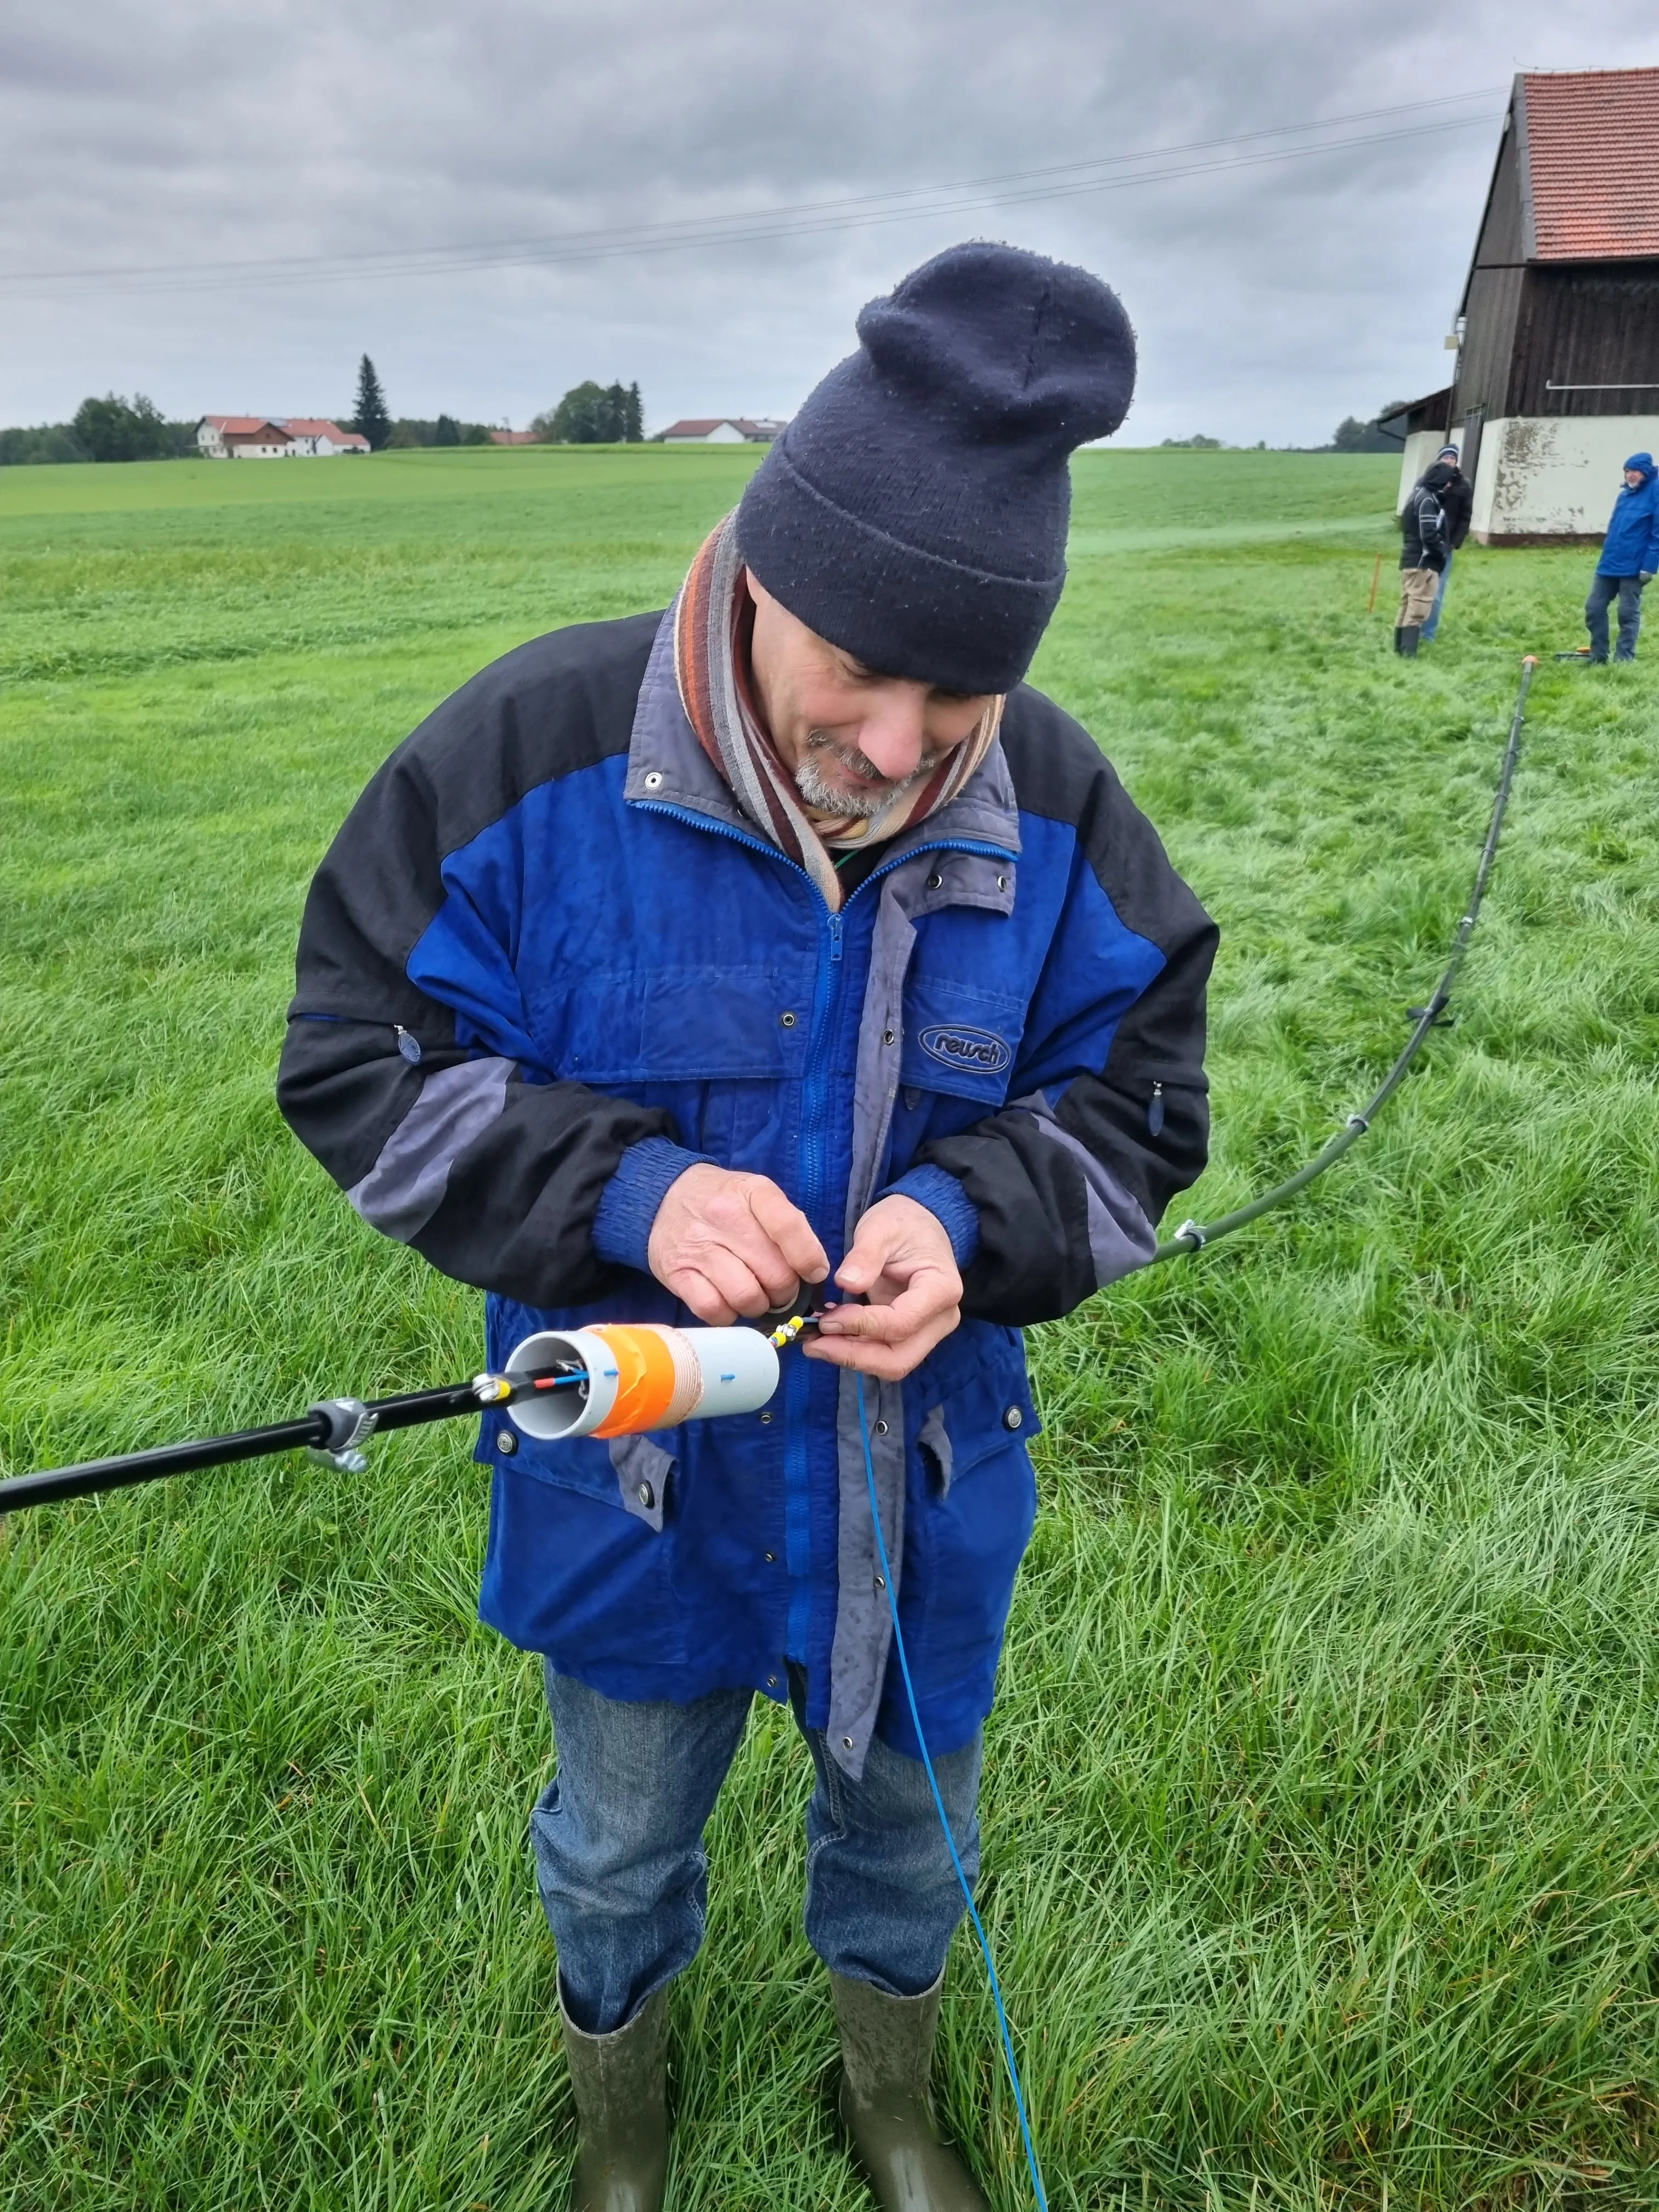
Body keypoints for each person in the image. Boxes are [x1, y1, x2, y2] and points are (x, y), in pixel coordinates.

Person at [277, 243, 1216, 2212]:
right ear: (760, 569)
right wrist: (623, 1188)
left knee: (903, 1827)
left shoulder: (1048, 803)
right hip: (634, 1494)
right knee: (614, 1843)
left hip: (921, 1485)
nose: (894, 745)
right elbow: (355, 1055)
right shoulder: (523, 754)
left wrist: (975, 1216)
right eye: (857, 669)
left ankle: (889, 2100)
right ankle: (623, 2123)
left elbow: (1141, 1100)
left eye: (955, 694)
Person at [1584, 453, 1658, 663]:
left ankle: (1624, 659)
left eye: (1633, 471)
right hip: (1609, 563)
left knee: (1627, 613)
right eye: (1626, 471)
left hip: (1635, 567)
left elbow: (1658, 533)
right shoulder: (1625, 495)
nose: (1629, 476)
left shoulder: (1656, 492)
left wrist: (1649, 566)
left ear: (1645, 471)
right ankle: (1598, 656)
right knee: (1594, 608)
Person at [1395, 460, 1451, 656]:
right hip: (1423, 564)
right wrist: (1441, 554)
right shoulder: (1428, 500)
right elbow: (1428, 535)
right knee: (1418, 608)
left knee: (1407, 605)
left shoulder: (1416, 495)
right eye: (1448, 481)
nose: (1449, 485)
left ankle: (1400, 650)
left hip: (1410, 560)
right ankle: (1408, 654)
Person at [1418, 443, 1472, 644]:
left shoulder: (1463, 485)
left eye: (1453, 458)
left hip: (1445, 546)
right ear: (1439, 460)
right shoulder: (1426, 482)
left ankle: (1428, 635)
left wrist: (1455, 543)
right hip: (1424, 544)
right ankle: (1410, 629)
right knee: (1417, 589)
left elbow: (1466, 516)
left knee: (1437, 593)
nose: (1450, 461)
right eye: (1446, 457)